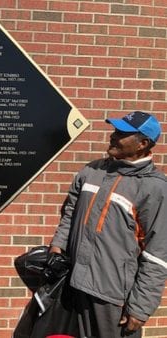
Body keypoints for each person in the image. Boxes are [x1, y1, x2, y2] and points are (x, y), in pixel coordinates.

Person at [49, 111, 167, 337]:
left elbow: (158, 254)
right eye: (115, 130)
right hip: (74, 283)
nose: (113, 136)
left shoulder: (155, 189)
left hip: (113, 297)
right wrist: (58, 246)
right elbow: (70, 211)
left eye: (122, 133)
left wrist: (141, 307)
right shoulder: (92, 171)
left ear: (143, 143)